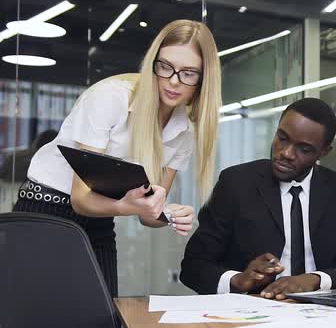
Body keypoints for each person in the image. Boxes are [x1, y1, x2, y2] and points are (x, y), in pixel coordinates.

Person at [12, 19, 222, 297]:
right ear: (153, 63)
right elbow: (80, 199)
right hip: (47, 208)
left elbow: (150, 214)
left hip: (100, 218)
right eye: (165, 66)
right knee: (41, 314)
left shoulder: (185, 130)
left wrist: (167, 213)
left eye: (188, 73)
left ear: (204, 78)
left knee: (104, 315)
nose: (173, 80)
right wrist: (131, 207)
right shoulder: (111, 97)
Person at [180, 98, 336, 299]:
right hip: (252, 311)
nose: (286, 153)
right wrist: (238, 280)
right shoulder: (236, 183)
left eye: (303, 149)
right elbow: (193, 266)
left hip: (321, 313)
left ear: (324, 152)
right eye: (283, 138)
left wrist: (313, 280)